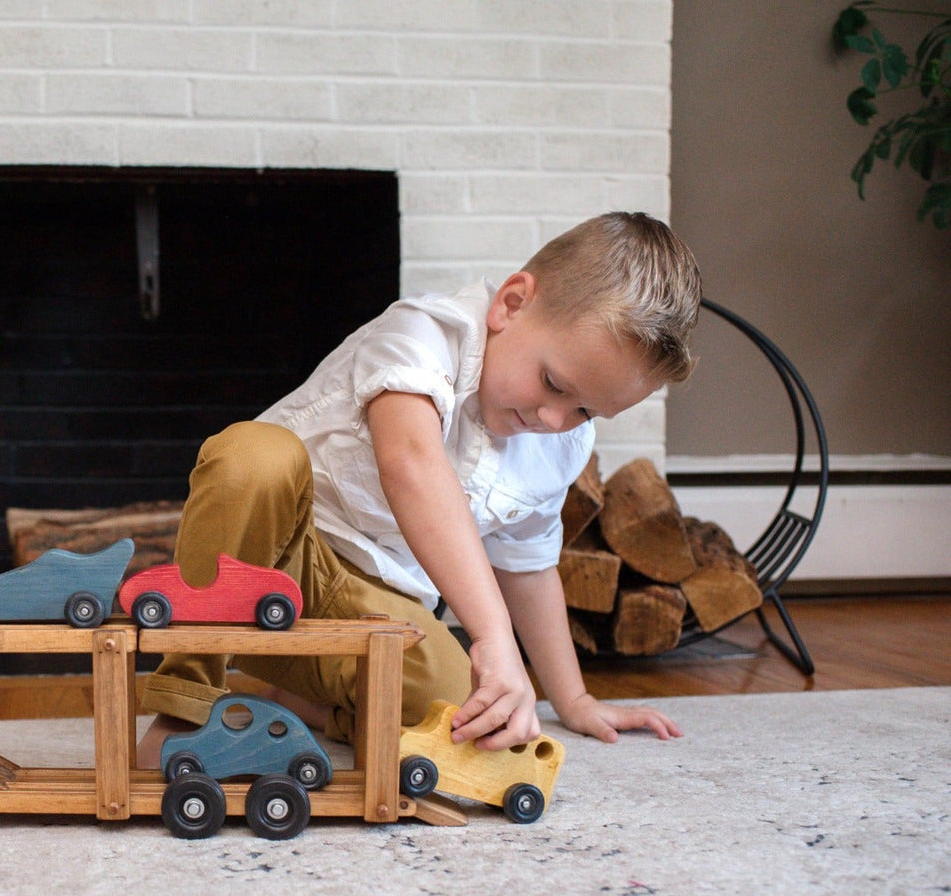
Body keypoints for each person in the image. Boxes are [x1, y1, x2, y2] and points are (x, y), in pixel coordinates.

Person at [135, 211, 699, 769]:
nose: (555, 419)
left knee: (465, 716)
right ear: (512, 303)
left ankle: (311, 703)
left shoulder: (558, 445)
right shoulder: (424, 334)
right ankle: (186, 707)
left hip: (377, 612)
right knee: (253, 456)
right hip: (278, 558)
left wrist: (571, 699)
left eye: (584, 411)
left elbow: (527, 567)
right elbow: (410, 462)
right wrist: (494, 637)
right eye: (553, 383)